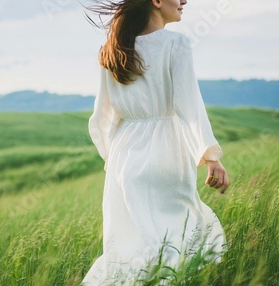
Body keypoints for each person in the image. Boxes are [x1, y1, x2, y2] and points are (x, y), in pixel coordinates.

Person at [83, 0, 229, 284]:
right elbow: (189, 105)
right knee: (184, 234)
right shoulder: (176, 44)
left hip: (124, 159)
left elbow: (101, 119)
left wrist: (112, 160)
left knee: (131, 247)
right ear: (157, 1)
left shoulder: (110, 51)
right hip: (167, 152)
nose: (185, 1)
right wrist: (210, 155)